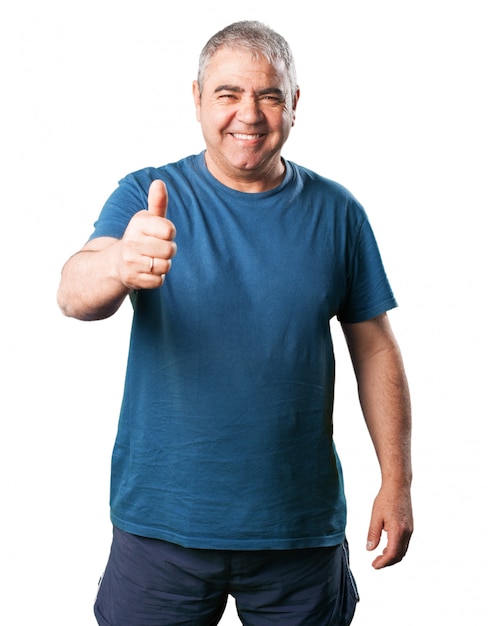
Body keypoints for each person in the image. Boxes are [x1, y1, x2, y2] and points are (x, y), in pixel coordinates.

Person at [57, 20, 413, 626]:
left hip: (297, 532)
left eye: (269, 95)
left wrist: (397, 481)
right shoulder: (148, 194)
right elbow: (74, 292)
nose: (248, 114)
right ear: (196, 98)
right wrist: (120, 261)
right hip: (162, 530)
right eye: (227, 94)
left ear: (294, 105)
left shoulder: (338, 212)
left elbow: (375, 347)